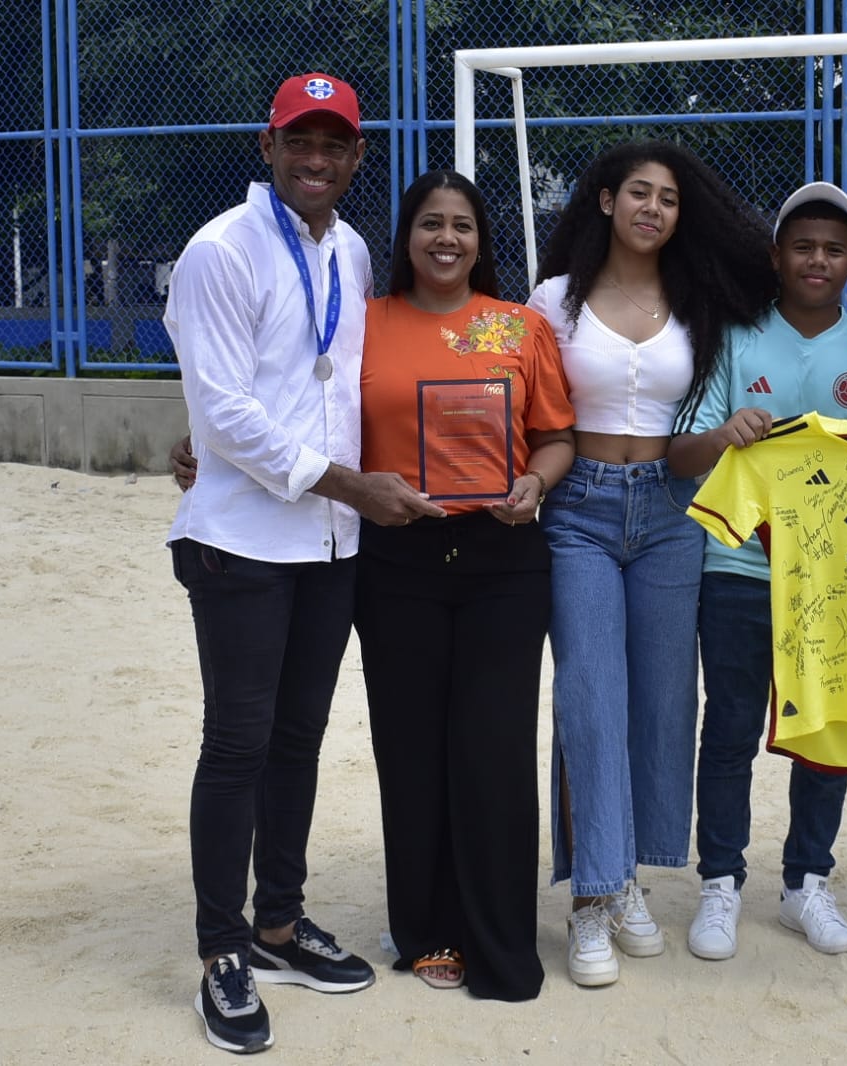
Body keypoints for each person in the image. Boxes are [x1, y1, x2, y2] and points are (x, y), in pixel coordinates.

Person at [166, 72, 441, 1055]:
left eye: (334, 145)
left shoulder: (354, 248)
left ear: (357, 156)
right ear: (267, 144)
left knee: (296, 738)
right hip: (241, 539)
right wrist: (346, 483)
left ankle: (278, 923)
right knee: (237, 743)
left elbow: (321, 382)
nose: (316, 160)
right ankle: (220, 952)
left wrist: (354, 493)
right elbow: (229, 407)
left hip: (329, 542)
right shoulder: (219, 251)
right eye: (299, 142)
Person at [526, 140, 777, 987]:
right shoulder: (554, 300)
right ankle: (592, 897)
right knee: (589, 695)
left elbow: (791, 315)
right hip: (578, 511)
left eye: (668, 199)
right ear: (603, 201)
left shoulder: (700, 300)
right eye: (638, 193)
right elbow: (515, 404)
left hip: (673, 514)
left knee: (665, 699)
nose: (652, 210)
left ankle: (628, 873)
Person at [667, 182, 847, 960]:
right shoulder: (736, 337)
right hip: (737, 567)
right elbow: (682, 450)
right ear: (775, 255)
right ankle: (720, 882)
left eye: (832, 248)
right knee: (731, 726)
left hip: (838, 574)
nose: (816, 259)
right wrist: (727, 432)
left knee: (822, 731)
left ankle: (807, 881)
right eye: (802, 245)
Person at [352, 169, 576, 1001]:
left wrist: (536, 485)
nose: (446, 240)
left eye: (462, 227)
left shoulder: (517, 327)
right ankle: (424, 930)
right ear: (406, 235)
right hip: (396, 558)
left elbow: (555, 436)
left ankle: (499, 939)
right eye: (430, 224)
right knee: (409, 752)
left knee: (491, 753)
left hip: (503, 562)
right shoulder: (364, 327)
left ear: (482, 242)